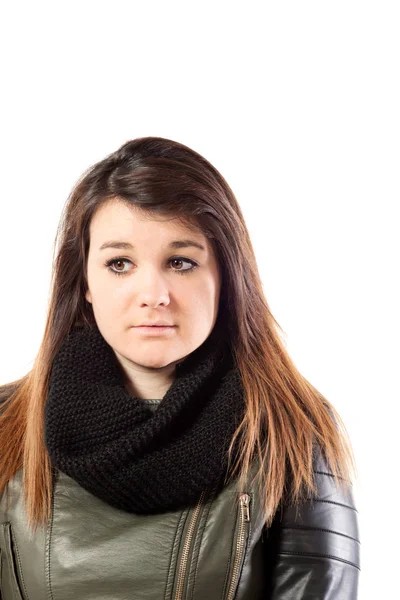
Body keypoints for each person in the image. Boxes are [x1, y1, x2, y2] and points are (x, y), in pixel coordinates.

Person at [0, 136, 360, 599]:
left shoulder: (290, 429)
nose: (153, 293)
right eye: (120, 263)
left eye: (181, 262)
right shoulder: (8, 424)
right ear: (84, 281)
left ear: (226, 276)